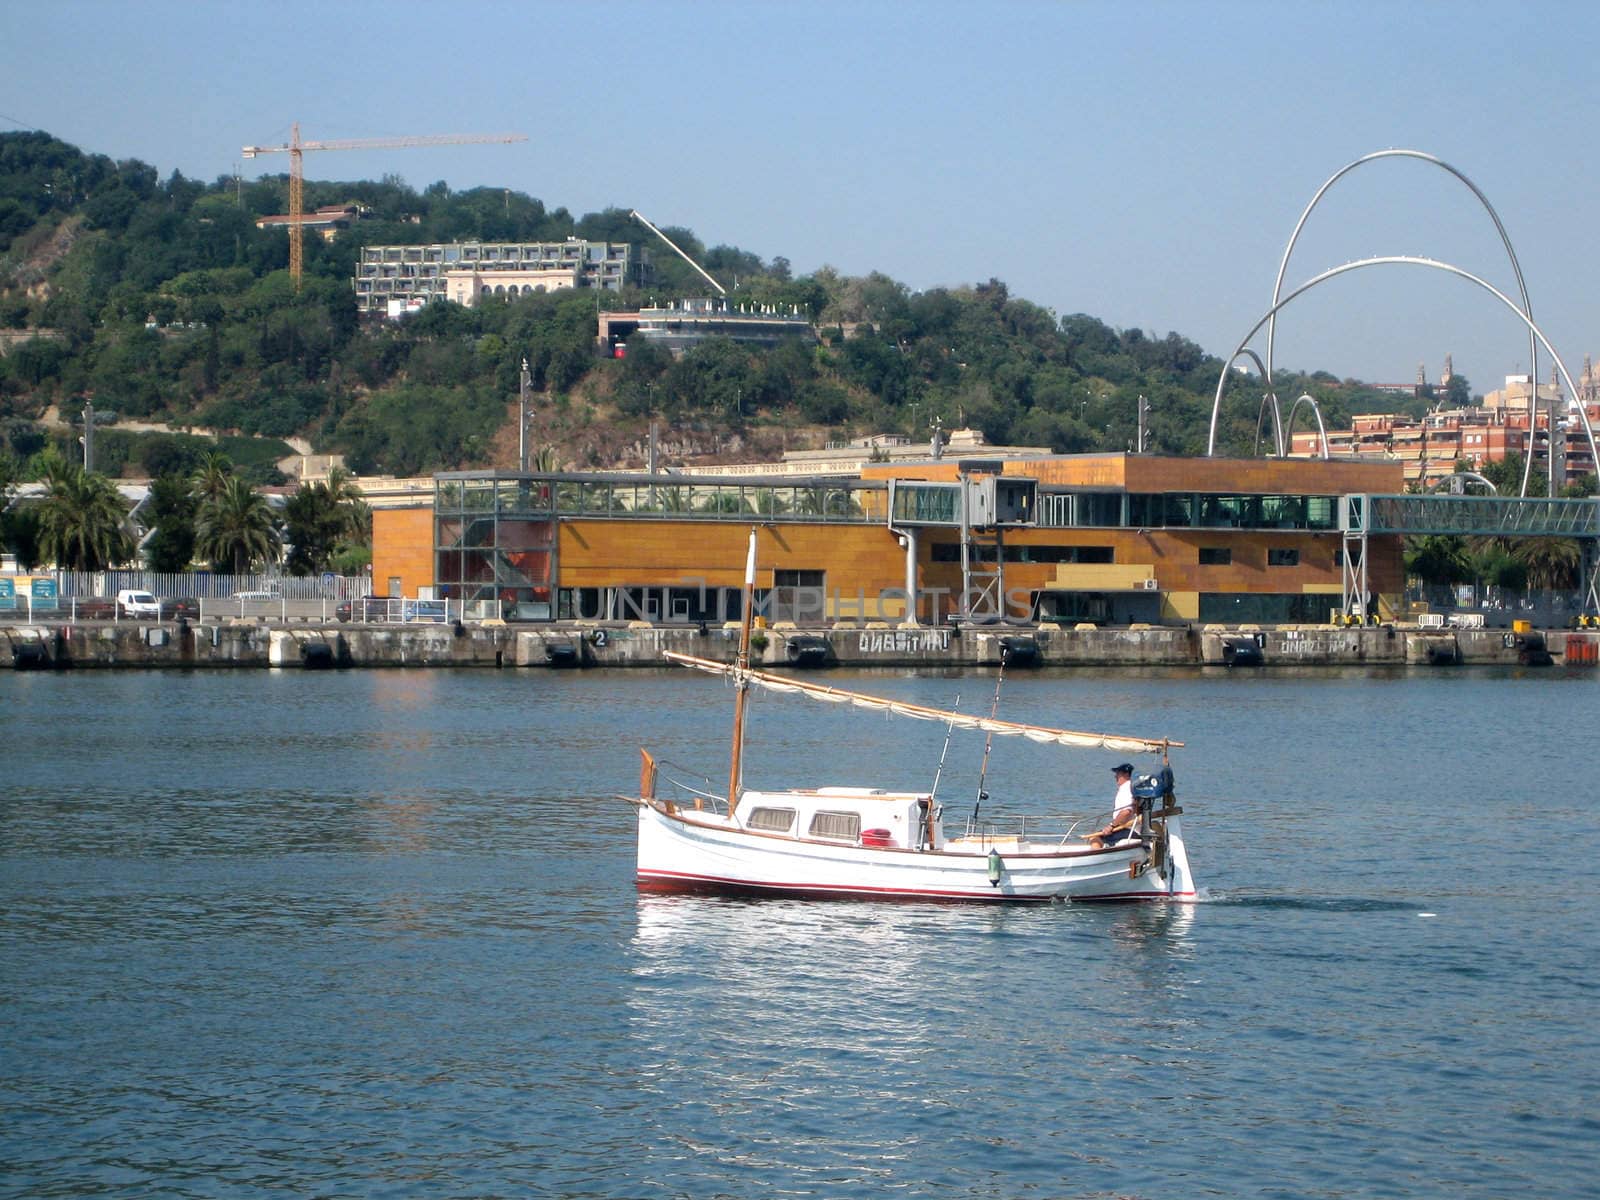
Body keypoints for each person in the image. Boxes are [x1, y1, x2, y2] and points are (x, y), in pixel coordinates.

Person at [1088, 763, 1138, 849]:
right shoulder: (1130, 788)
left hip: (1125, 829)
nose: (1115, 776)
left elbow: (1126, 812)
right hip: (1125, 829)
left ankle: (1099, 858)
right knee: (1096, 837)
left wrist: (1111, 826)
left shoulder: (1126, 790)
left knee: (1094, 839)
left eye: (1118, 774)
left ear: (1126, 774)